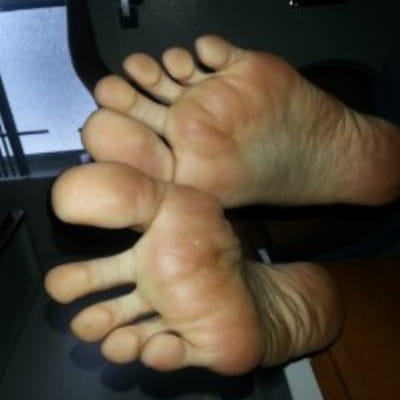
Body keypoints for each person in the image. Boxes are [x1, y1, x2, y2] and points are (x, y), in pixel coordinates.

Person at [44, 35, 400, 375]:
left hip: (350, 125)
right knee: (228, 243)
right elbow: (89, 64)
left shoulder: (184, 139)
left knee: (227, 211)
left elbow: (92, 69)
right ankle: (277, 305)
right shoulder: (177, 242)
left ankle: (293, 300)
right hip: (350, 205)